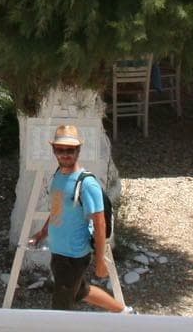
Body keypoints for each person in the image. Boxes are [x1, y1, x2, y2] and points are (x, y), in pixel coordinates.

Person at [27, 124, 131, 315]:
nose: (65, 154)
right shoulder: (58, 175)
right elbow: (57, 210)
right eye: (60, 149)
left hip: (73, 256)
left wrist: (100, 261)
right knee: (81, 291)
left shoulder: (87, 184)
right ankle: (124, 312)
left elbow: (100, 223)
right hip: (58, 252)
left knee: (61, 311)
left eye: (70, 150)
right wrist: (42, 233)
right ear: (53, 150)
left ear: (78, 150)